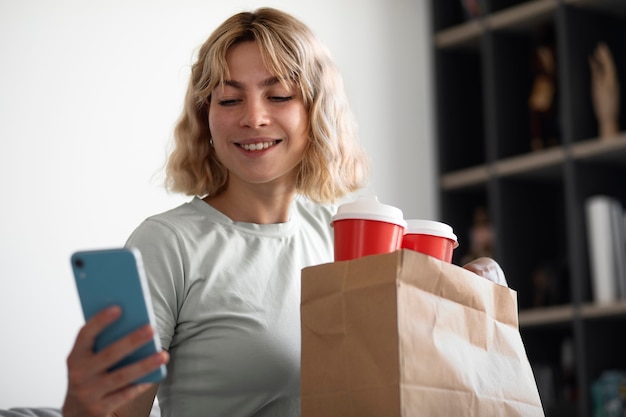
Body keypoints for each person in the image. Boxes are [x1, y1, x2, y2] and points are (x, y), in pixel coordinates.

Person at [61, 7, 507, 417]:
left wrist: (466, 303)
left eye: (278, 96)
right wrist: (80, 403)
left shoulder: (345, 238)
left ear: (315, 111)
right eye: (229, 99)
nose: (253, 117)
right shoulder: (167, 245)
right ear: (206, 117)